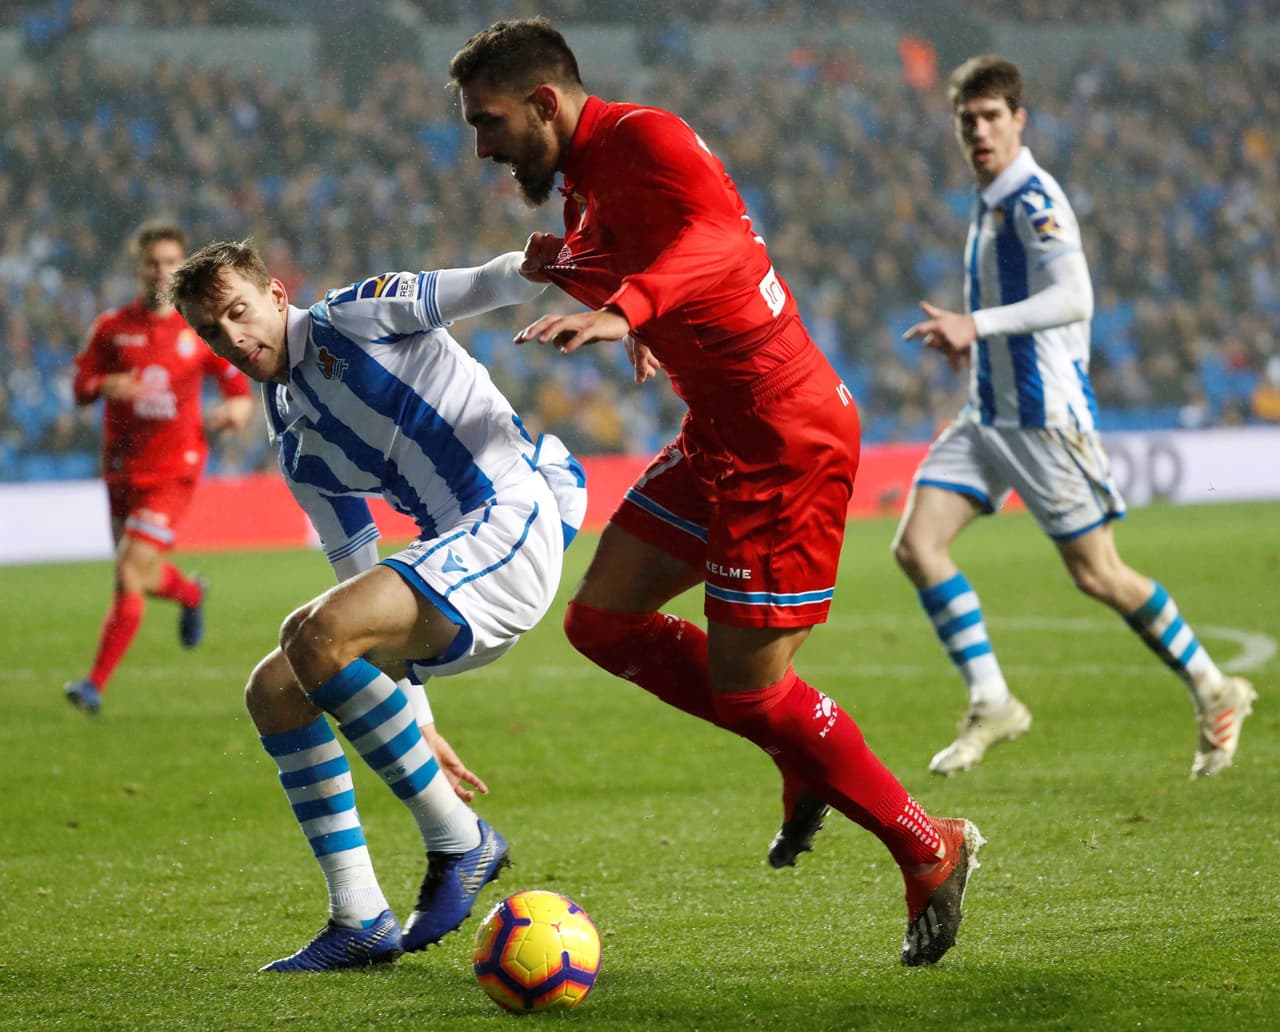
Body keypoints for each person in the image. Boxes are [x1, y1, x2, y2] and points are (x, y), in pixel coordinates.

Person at [449, 17, 981, 968]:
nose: (481, 146)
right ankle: (795, 750)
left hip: (785, 437)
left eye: (489, 123)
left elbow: (720, 246)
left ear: (544, 101)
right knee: (602, 624)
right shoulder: (585, 188)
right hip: (718, 436)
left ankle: (926, 844)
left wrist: (625, 312)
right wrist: (572, 274)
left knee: (750, 690)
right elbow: (636, 258)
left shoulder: (645, 136)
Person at [169, 240, 587, 972]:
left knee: (313, 632)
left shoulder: (353, 317)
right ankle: (359, 916)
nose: (232, 339)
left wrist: (622, 295)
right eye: (211, 331)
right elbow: (353, 574)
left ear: (274, 292)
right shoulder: (291, 433)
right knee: (275, 688)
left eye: (238, 313)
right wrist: (418, 722)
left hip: (507, 520)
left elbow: (492, 281)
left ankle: (461, 842)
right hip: (455, 566)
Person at [895, 55, 1256, 778]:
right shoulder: (990, 196)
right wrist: (973, 346)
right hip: (988, 411)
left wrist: (978, 325)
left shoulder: (1033, 198)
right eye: (968, 120)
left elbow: (1074, 298)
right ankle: (992, 700)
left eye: (993, 117)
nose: (980, 131)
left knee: (1099, 574)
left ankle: (1216, 688)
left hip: (1044, 420)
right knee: (916, 546)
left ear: (1019, 119)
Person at [64, 221, 253, 716]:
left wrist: (237, 411)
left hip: (175, 468)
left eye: (171, 262)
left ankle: (93, 685)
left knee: (128, 571)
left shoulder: (198, 326)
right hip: (122, 468)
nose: (161, 271)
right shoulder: (111, 327)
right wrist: (106, 384)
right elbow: (80, 386)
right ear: (139, 267)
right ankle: (190, 593)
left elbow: (237, 382)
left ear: (181, 266)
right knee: (139, 573)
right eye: (153, 262)